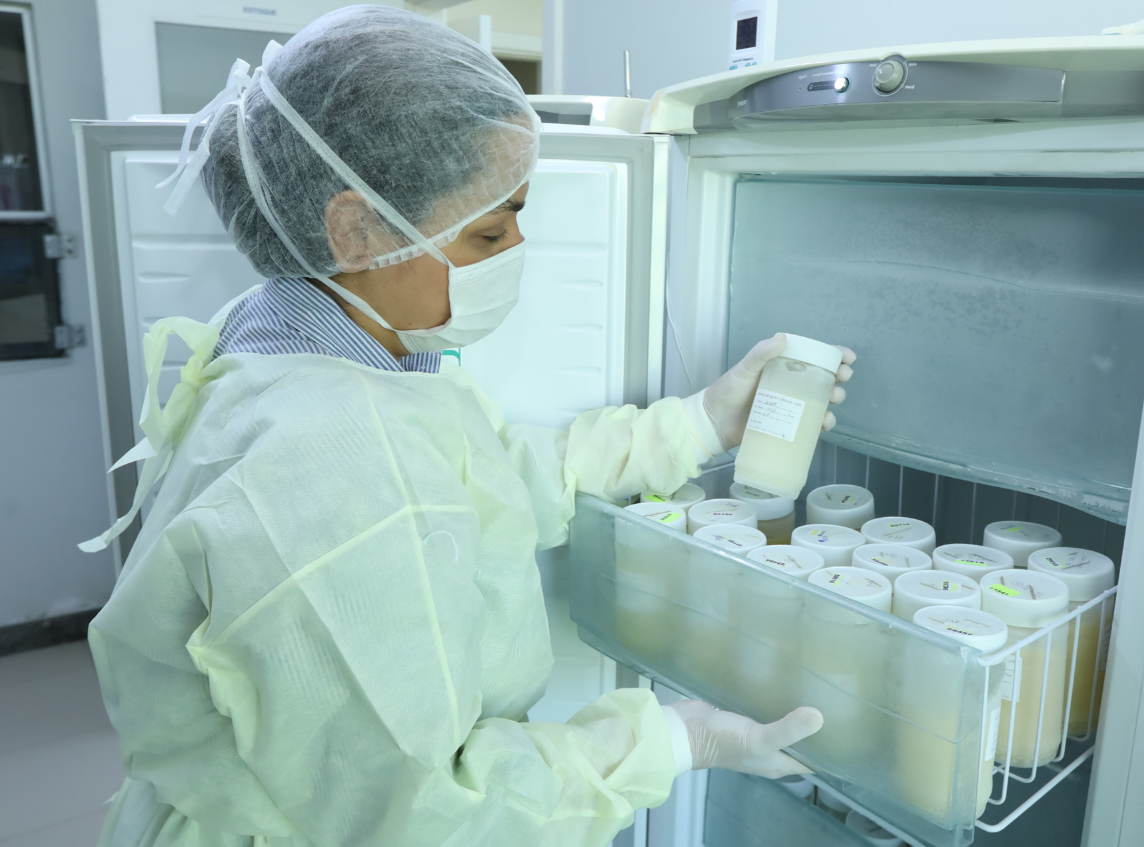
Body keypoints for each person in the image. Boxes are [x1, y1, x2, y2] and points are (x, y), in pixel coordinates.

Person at [81, 7, 856, 847]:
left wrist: (702, 422)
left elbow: (486, 481)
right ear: (355, 229)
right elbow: (425, 813)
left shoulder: (318, 343)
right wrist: (670, 742)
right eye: (490, 229)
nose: (518, 244)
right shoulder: (333, 461)